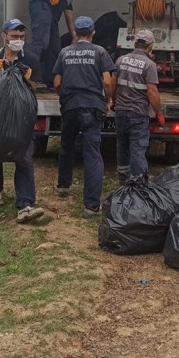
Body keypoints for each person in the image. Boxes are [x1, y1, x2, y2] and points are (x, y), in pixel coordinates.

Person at [0, 18, 45, 224]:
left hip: (21, 113)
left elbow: (36, 88)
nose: (18, 40)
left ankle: (25, 204)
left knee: (24, 156)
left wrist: (28, 78)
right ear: (4, 36)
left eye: (22, 37)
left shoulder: (30, 58)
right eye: (14, 36)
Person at [53, 16, 115, 217]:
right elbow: (107, 81)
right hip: (92, 107)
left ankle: (63, 185)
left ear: (75, 33)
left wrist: (64, 97)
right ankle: (91, 206)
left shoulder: (64, 52)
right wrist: (108, 100)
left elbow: (56, 82)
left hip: (70, 106)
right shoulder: (100, 52)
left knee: (66, 144)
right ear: (93, 33)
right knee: (92, 154)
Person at [28, 0, 89, 88]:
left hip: (52, 18)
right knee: (40, 42)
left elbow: (69, 18)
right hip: (42, 6)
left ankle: (50, 80)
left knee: (55, 47)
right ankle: (28, 76)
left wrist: (76, 37)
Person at [113, 29, 165, 182]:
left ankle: (123, 180)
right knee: (137, 149)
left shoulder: (120, 60)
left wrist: (112, 101)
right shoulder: (149, 65)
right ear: (150, 46)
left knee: (122, 146)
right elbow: (152, 92)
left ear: (135, 43)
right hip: (138, 113)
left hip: (121, 112)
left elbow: (111, 83)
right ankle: (138, 183)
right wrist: (159, 113)